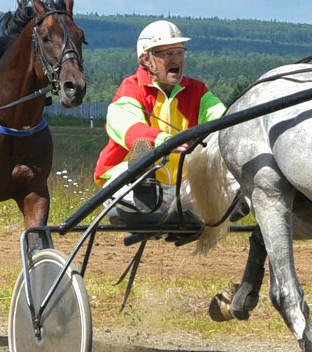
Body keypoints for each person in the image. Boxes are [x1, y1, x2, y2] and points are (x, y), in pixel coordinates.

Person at [94, 20, 226, 217]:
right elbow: (127, 126)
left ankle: (234, 200)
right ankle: (145, 186)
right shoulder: (131, 88)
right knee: (141, 173)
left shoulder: (198, 90)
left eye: (180, 53)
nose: (177, 60)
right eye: (168, 54)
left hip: (183, 186)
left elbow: (223, 118)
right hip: (127, 182)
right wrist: (163, 142)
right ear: (147, 60)